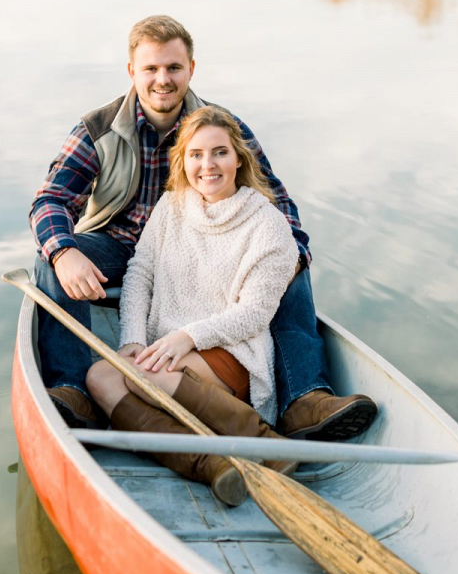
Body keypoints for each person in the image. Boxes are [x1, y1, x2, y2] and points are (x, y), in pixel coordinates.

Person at [30, 15, 377, 441]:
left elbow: (275, 199)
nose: (163, 79)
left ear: (191, 68)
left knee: (291, 257)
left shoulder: (219, 128)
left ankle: (303, 397)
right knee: (52, 255)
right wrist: (65, 253)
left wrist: (291, 255)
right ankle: (72, 385)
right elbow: (51, 201)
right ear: (131, 72)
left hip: (198, 249)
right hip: (116, 248)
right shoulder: (97, 130)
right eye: (151, 69)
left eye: (174, 68)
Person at [86, 105, 303, 505]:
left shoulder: (268, 224)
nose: (208, 165)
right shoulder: (171, 208)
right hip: (169, 348)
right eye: (196, 154)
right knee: (101, 376)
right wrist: (132, 338)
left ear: (239, 158)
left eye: (220, 152)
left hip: (232, 350)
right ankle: (212, 466)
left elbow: (255, 313)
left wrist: (188, 337)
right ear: (183, 161)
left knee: (142, 378)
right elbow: (140, 274)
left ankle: (263, 441)